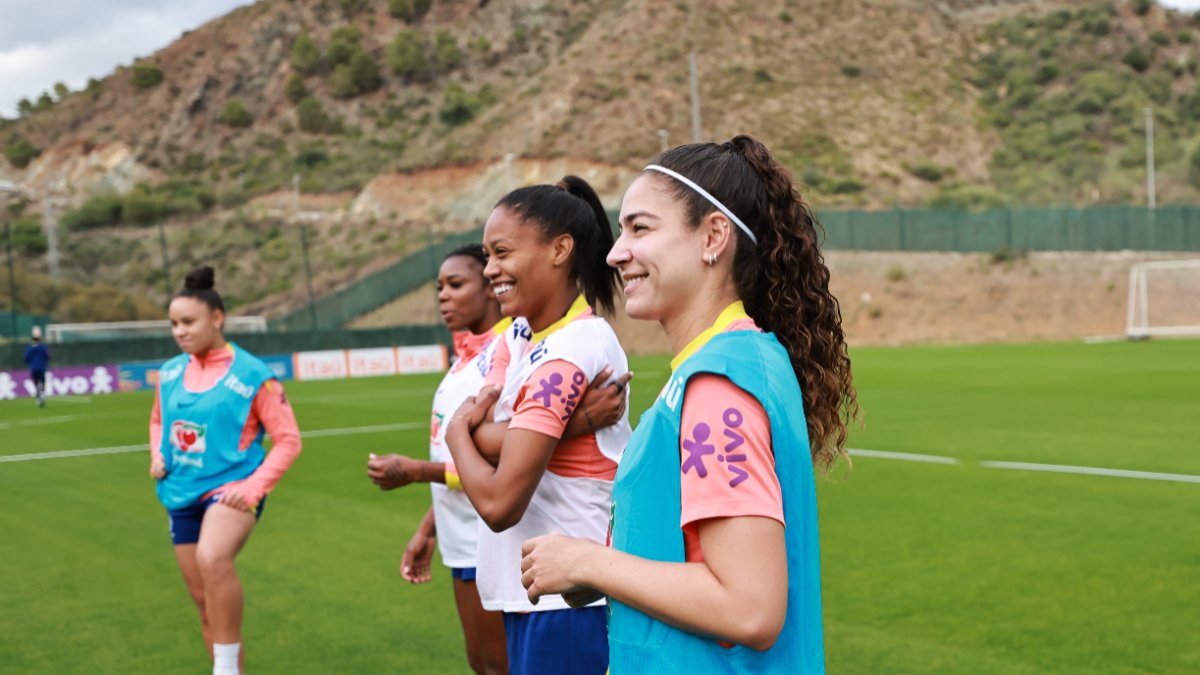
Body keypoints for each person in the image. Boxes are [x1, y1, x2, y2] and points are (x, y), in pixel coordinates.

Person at [519, 136, 859, 673]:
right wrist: (597, 573)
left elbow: (750, 607)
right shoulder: (737, 361)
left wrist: (590, 560)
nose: (614, 252)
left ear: (713, 237)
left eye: (641, 227)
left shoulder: (717, 385)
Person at [365, 244, 629, 675]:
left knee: (497, 665)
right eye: (439, 287)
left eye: (455, 284)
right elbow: (482, 439)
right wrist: (430, 526)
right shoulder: (488, 357)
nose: (443, 296)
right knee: (483, 662)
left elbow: (499, 451)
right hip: (478, 541)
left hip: (510, 537)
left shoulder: (544, 347)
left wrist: (429, 463)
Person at [445, 176, 632, 675]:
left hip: (571, 600)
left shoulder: (575, 346)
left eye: (502, 252)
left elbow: (500, 502)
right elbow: (485, 430)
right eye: (487, 256)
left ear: (559, 250)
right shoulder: (519, 338)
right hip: (532, 591)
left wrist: (455, 435)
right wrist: (566, 427)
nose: (490, 270)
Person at [149, 266, 302, 675]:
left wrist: (254, 488)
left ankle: (226, 670)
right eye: (173, 324)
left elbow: (288, 440)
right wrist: (156, 455)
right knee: (205, 606)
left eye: (188, 322)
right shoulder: (169, 373)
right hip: (179, 490)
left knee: (213, 558)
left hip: (231, 488)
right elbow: (158, 422)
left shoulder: (253, 375)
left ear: (217, 318)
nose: (179, 331)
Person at [23, 326, 50, 407]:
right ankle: (41, 394)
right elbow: (48, 356)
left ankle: (38, 396)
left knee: (36, 382)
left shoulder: (29, 348)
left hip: (33, 368)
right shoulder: (43, 347)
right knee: (42, 381)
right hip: (41, 368)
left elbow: (26, 358)